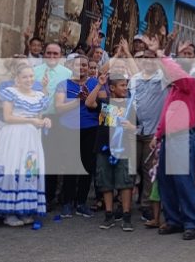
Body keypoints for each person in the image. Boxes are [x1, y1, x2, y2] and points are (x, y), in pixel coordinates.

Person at [0, 64, 51, 227]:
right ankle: (8, 212)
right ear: (17, 79)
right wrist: (30, 120)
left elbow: (39, 116)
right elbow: (8, 117)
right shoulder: (10, 93)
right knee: (12, 167)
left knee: (28, 170)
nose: (29, 80)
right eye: (25, 77)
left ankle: (23, 209)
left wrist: (44, 121)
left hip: (31, 138)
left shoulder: (38, 95)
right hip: (13, 136)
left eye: (31, 76)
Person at [150, 38, 195, 241]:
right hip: (169, 138)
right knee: (166, 180)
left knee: (183, 181)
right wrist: (157, 134)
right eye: (183, 53)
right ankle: (173, 220)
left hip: (183, 138)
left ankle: (191, 222)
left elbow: (176, 73)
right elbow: (166, 114)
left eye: (190, 53)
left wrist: (161, 54)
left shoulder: (192, 81)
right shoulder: (174, 88)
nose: (186, 56)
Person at [54, 54, 105, 218]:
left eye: (85, 65)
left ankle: (81, 202)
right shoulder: (63, 85)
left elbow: (105, 106)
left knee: (87, 166)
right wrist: (77, 100)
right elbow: (59, 108)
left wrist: (92, 101)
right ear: (72, 66)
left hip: (90, 128)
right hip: (69, 128)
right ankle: (67, 203)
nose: (82, 68)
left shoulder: (95, 83)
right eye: (78, 65)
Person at [86, 73, 135, 231]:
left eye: (126, 85)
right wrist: (99, 85)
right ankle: (109, 214)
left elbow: (138, 126)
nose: (125, 88)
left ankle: (126, 216)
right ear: (112, 88)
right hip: (104, 147)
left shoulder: (130, 104)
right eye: (122, 85)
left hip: (124, 147)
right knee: (105, 182)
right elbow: (89, 102)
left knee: (125, 182)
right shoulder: (104, 102)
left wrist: (132, 127)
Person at [129, 49, 169, 224]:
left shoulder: (162, 78)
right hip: (133, 130)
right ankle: (125, 205)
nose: (149, 61)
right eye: (146, 58)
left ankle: (146, 205)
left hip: (153, 133)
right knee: (130, 169)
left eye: (153, 59)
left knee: (148, 171)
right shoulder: (134, 79)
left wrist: (166, 47)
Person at [34, 42, 72, 208]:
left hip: (58, 120)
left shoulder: (68, 73)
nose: (51, 56)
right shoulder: (34, 71)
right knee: (35, 155)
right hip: (36, 118)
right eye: (48, 53)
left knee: (53, 157)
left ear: (61, 55)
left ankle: (49, 196)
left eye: (55, 54)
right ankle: (33, 193)